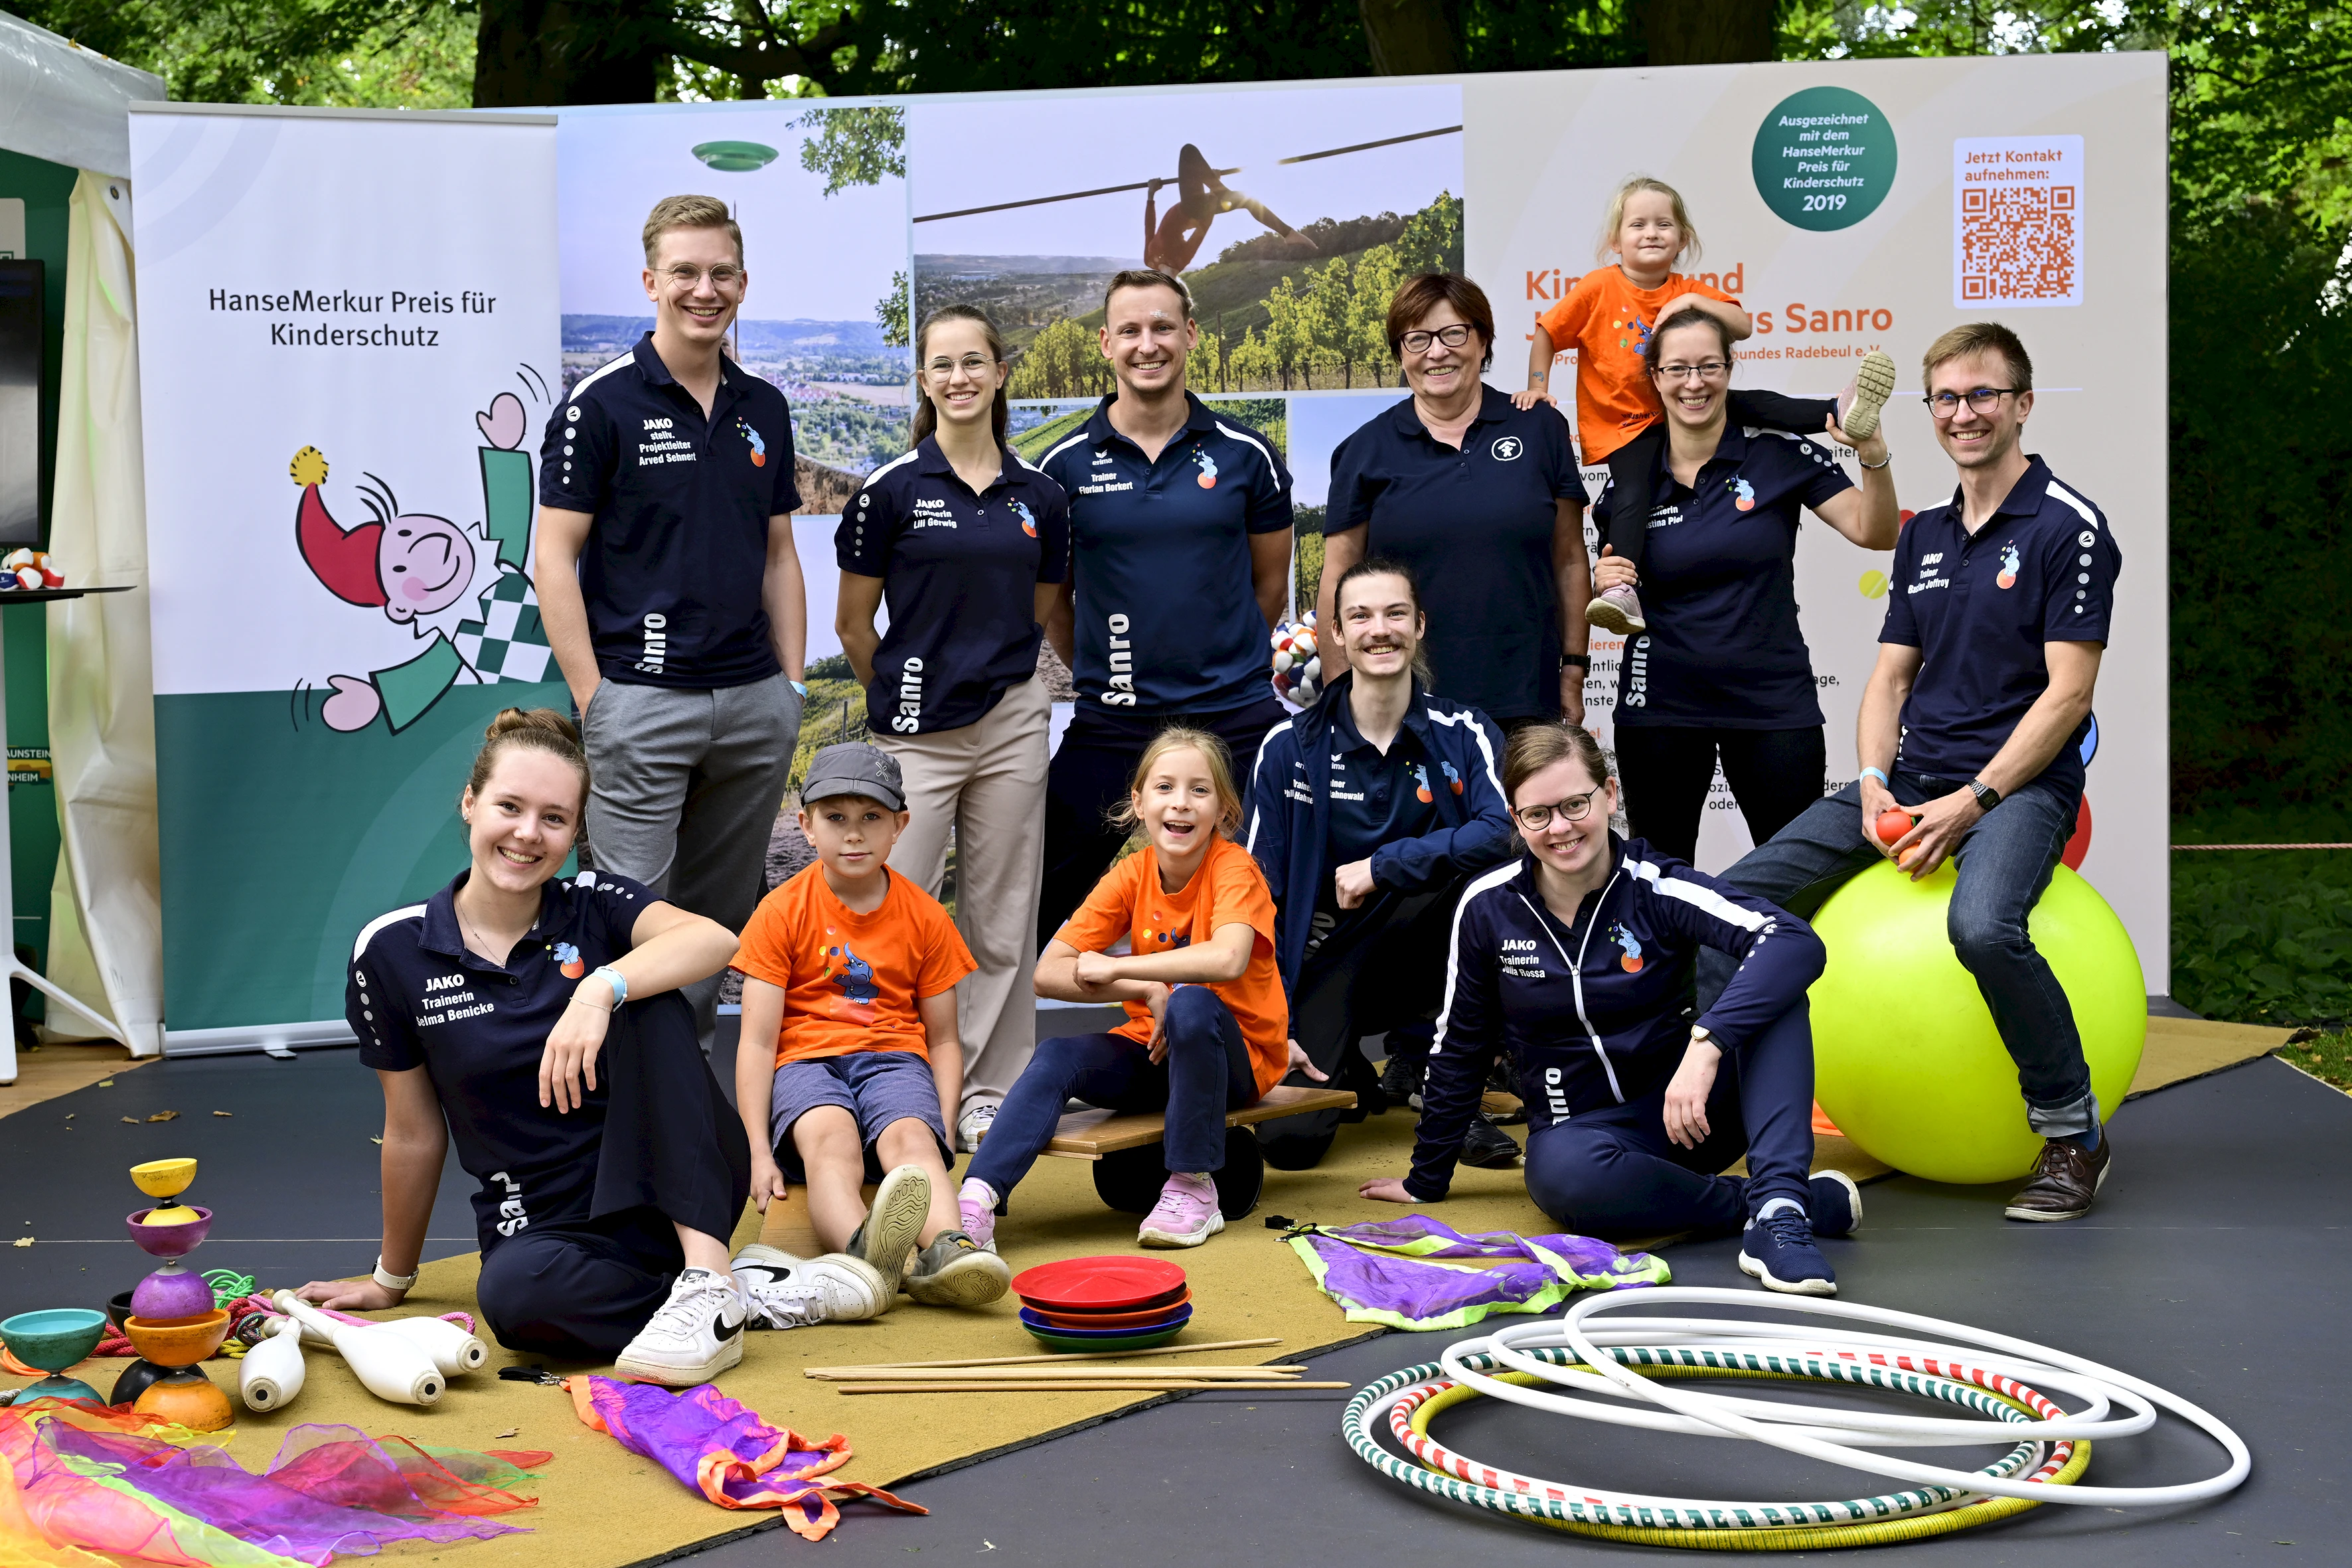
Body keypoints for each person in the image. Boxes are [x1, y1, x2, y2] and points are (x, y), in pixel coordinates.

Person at [308, 710, 886, 1389]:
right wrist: (390, 1280)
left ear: (574, 832)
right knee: (515, 1306)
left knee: (646, 991)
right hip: (548, 1229)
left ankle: (706, 1273)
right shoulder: (393, 950)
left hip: (674, 1189)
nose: (528, 833)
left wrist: (599, 989)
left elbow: (713, 943)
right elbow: (411, 1131)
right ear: (470, 804)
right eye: (510, 807)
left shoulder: (595, 904)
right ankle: (743, 1293)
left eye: (554, 818)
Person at [1696, 323, 2123, 1224]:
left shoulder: (2067, 527)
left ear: (2021, 406)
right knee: (1722, 908)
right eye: (1945, 398)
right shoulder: (1924, 533)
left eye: (1980, 395)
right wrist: (1871, 777)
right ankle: (1724, 1127)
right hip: (1909, 777)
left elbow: (2065, 698)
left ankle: (2070, 1133)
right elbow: (1889, 676)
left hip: (2016, 786)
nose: (1961, 413)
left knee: (1981, 926)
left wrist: (1970, 803)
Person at [1360, 724, 1862, 1297]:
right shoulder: (1488, 908)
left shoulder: (1655, 886)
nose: (1561, 829)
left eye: (1575, 804)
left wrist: (1707, 1043)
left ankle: (1777, 1218)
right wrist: (1427, 1178)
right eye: (1537, 815)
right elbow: (1460, 1044)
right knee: (1561, 1180)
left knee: (1777, 990)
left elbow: (1791, 940)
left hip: (1694, 1114)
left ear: (1609, 795)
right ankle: (1778, 1203)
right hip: (1584, 1137)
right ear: (1514, 819)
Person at [534, 194, 809, 1055]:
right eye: (684, 272)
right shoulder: (599, 405)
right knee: (627, 918)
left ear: (742, 282)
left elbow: (779, 556)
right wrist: (595, 698)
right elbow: (552, 559)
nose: (704, 288)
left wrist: (792, 688)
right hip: (640, 703)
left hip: (752, 702)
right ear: (650, 281)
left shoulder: (762, 405)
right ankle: (613, 1111)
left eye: (720, 272)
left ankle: (677, 1084)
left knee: (716, 922)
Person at [837, 305, 1071, 1153]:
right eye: (943, 364)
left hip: (1011, 718)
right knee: (888, 912)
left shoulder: (1041, 495)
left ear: (1001, 372)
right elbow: (855, 626)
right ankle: (881, 1084)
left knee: (1002, 915)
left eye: (975, 362)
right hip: (915, 731)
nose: (960, 378)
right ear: (925, 380)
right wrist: (902, 694)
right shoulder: (891, 489)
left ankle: (987, 1093)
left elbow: (1040, 611)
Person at [1512, 176, 1895, 639]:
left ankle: (1838, 407)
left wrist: (1693, 301)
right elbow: (1548, 332)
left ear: (1683, 239)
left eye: (1663, 224)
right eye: (1637, 225)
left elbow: (1742, 324)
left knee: (1758, 405)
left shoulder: (1687, 287)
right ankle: (1621, 591)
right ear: (1614, 240)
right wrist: (1537, 387)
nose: (1651, 233)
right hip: (1628, 427)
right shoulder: (1597, 288)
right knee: (1632, 496)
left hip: (1678, 412)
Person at [960, 731, 1300, 1251]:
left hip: (1238, 1063)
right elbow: (1047, 973)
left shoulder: (1234, 868)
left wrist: (1133, 972)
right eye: (1164, 787)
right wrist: (1144, 987)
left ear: (1224, 811)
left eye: (1199, 790)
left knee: (1190, 1001)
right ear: (1139, 804)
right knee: (1056, 1056)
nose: (1180, 802)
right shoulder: (1130, 873)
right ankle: (975, 1201)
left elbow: (1228, 958)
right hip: (1155, 1049)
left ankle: (1193, 1186)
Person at [1035, 268, 1295, 947]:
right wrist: (1103, 669)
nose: (1147, 344)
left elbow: (1269, 587)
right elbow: (1054, 601)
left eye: (1161, 327)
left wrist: (1223, 660)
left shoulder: (1248, 456)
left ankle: (1286, 1046)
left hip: (1237, 715)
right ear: (1105, 343)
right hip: (1113, 721)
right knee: (1038, 892)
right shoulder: (1061, 467)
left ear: (1190, 335)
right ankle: (988, 1050)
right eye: (1130, 330)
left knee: (1281, 890)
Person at [1593, 305, 1899, 865]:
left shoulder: (1776, 453)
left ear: (1730, 371)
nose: (1694, 383)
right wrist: (1605, 572)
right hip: (1660, 706)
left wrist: (1873, 457)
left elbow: (1873, 532)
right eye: (1678, 369)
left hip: (1771, 703)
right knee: (1659, 881)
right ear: (1655, 378)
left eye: (1709, 366)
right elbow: (1614, 569)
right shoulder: (1631, 479)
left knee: (1798, 877)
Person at [1247, 557, 1520, 1171]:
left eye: (1395, 613)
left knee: (1484, 885)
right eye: (1360, 616)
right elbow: (1253, 889)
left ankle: (1449, 1090)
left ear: (1419, 625)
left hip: (1429, 937)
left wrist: (1384, 864)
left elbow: (1506, 831)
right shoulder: (1289, 746)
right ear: (1337, 634)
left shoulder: (1464, 730)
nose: (1380, 629)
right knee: (1290, 1145)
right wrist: (1271, 1015)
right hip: (1331, 953)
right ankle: (1345, 1064)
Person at [731, 742, 1014, 1307]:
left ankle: (948, 1251)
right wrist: (757, 1153)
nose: (853, 834)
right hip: (806, 1062)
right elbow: (758, 1044)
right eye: (835, 818)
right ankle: (864, 1261)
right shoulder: (779, 912)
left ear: (898, 826)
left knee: (911, 1140)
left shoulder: (926, 916)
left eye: (870, 818)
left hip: (894, 1059)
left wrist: (941, 1122)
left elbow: (943, 1038)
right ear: (806, 826)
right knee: (833, 1143)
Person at [1320, 274, 1593, 730]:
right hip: (1402, 704)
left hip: (1525, 695)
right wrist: (1337, 685)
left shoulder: (1540, 429)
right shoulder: (1363, 451)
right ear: (1400, 353)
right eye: (1417, 339)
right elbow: (1336, 576)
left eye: (1453, 333)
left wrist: (1573, 667)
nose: (1436, 351)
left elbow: (1568, 559)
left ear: (1482, 341)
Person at [1144, 143, 1316, 274]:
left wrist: (1151, 195)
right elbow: (1203, 229)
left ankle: (1288, 233)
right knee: (1188, 152)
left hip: (1196, 206)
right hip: (1192, 210)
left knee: (1248, 201)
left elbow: (1149, 229)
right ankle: (1222, 192)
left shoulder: (1149, 260)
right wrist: (1213, 193)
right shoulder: (1180, 262)